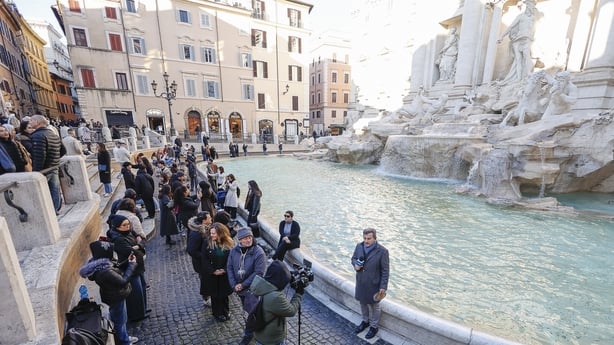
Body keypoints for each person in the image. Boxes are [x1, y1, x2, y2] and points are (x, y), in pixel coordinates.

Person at [79, 241, 139, 345]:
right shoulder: (105, 271)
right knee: (120, 321)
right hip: (116, 297)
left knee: (119, 319)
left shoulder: (100, 265)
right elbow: (122, 281)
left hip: (112, 295)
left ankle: (124, 338)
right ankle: (124, 342)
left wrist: (127, 262)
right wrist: (132, 265)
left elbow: (115, 269)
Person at [227, 227, 266, 345]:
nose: (248, 240)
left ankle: (250, 334)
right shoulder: (234, 251)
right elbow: (229, 267)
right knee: (246, 309)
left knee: (251, 312)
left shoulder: (258, 252)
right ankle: (253, 330)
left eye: (250, 237)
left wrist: (242, 285)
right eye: (245, 238)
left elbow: (259, 273)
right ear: (240, 240)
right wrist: (234, 284)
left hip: (252, 290)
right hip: (239, 289)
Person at [249, 260, 303, 345]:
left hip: (261, 334)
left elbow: (277, 276)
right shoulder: (275, 297)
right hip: (271, 340)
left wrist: (291, 275)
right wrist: (299, 293)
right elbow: (291, 311)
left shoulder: (263, 284)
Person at [108, 215, 149, 323]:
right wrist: (139, 245)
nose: (127, 226)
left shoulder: (129, 232)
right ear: (117, 227)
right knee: (136, 292)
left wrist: (138, 245)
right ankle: (137, 315)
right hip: (130, 267)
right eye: (124, 225)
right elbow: (131, 251)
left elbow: (143, 239)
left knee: (142, 288)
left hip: (138, 265)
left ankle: (143, 310)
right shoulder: (118, 239)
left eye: (128, 224)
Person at [351, 228, 390, 340]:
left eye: (369, 238)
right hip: (361, 282)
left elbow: (385, 271)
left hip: (374, 284)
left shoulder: (383, 251)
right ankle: (365, 321)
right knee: (362, 303)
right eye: (364, 238)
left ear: (375, 238)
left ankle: (374, 326)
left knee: (375, 306)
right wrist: (355, 265)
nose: (366, 241)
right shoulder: (359, 246)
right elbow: (353, 258)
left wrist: (383, 286)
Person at [497, 0, 538, 83]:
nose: (529, 8)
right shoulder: (521, 16)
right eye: (528, 6)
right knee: (518, 59)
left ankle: (528, 73)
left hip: (527, 38)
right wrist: (501, 36)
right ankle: (519, 78)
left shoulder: (533, 18)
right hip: (518, 39)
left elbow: (534, 29)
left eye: (531, 7)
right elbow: (511, 26)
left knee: (526, 56)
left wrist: (532, 38)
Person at [201, 222, 234, 322]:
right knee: (215, 295)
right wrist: (213, 271)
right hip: (212, 275)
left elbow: (231, 259)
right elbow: (204, 259)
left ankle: (225, 311)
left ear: (221, 233)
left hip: (224, 274)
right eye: (211, 233)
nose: (212, 235)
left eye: (214, 233)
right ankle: (217, 313)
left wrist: (224, 269)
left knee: (224, 294)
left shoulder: (229, 243)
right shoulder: (207, 243)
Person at [29, 115, 62, 212]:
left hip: (44, 169)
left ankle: (49, 213)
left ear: (37, 122)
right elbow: (62, 150)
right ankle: (55, 210)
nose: (30, 122)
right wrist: (55, 159)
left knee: (42, 192)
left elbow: (40, 155)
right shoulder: (53, 134)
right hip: (54, 166)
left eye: (31, 120)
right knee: (55, 190)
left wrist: (36, 172)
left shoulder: (37, 136)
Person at [187, 211, 213, 305]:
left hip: (204, 261)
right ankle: (206, 298)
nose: (211, 219)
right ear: (204, 220)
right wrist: (204, 257)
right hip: (201, 263)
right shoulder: (197, 233)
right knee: (205, 280)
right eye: (209, 218)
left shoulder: (204, 228)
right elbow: (191, 250)